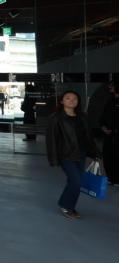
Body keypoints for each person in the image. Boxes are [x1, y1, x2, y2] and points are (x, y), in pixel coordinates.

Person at [47, 91, 103, 219]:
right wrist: (54, 160)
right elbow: (51, 140)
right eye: (68, 98)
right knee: (75, 180)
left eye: (75, 98)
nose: (72, 100)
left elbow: (88, 137)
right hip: (65, 155)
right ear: (61, 101)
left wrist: (95, 152)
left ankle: (70, 206)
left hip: (81, 153)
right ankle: (65, 205)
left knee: (76, 181)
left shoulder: (83, 117)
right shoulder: (55, 118)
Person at [100, 80, 119, 186]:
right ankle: (112, 178)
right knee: (108, 157)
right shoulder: (110, 101)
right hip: (108, 134)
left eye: (112, 85)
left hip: (116, 134)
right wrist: (103, 127)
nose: (110, 87)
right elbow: (103, 116)